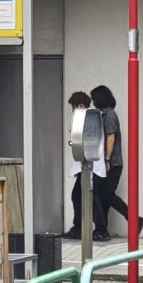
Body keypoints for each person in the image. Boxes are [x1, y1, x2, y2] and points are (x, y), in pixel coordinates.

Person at [86, 85, 142, 237]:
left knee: (105, 194)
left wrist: (107, 159)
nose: (93, 102)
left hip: (112, 162)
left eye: (94, 99)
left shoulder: (109, 116)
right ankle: (103, 229)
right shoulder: (105, 114)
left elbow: (111, 138)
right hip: (110, 162)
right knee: (104, 195)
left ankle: (132, 220)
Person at [64, 90, 94, 233]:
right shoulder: (92, 117)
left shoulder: (85, 118)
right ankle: (84, 226)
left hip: (87, 163)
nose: (73, 111)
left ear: (81, 105)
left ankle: (80, 227)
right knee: (82, 196)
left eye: (74, 107)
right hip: (85, 163)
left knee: (79, 196)